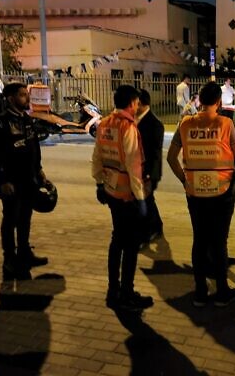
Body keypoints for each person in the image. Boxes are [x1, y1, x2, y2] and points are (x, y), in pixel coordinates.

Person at [167, 81, 235, 307]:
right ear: (219, 102)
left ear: (198, 101)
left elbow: (171, 158)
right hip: (222, 191)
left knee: (199, 241)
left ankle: (200, 292)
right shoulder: (225, 123)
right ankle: (222, 292)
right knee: (219, 242)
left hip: (195, 192)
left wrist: (185, 179)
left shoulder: (185, 123)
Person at [92, 85, 153, 312]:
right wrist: (141, 199)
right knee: (130, 245)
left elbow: (97, 156)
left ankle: (113, 289)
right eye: (136, 103)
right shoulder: (128, 128)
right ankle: (127, 292)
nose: (137, 107)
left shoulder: (105, 123)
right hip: (127, 194)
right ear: (131, 103)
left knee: (117, 240)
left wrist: (99, 183)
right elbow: (133, 165)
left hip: (110, 190)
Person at [0, 82, 49, 279]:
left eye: (25, 95)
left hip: (28, 179)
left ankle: (24, 253)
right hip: (11, 182)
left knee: (25, 217)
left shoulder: (26, 119)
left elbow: (34, 148)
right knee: (10, 219)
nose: (26, 98)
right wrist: (2, 180)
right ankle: (9, 259)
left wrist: (39, 171)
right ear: (11, 98)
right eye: (22, 95)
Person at [136, 89, 165, 244]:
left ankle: (148, 232)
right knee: (147, 201)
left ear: (140, 103)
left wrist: (149, 175)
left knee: (145, 202)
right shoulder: (134, 120)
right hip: (137, 170)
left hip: (148, 172)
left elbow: (155, 154)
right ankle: (156, 226)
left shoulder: (155, 124)